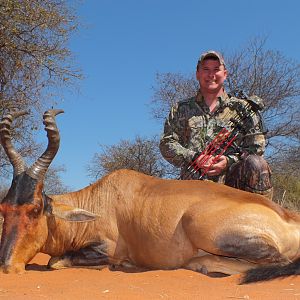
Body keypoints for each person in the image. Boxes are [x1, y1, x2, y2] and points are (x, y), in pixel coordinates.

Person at [159, 50, 273, 199]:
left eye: (216, 69)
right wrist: (194, 157)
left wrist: (229, 161)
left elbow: (257, 147)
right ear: (197, 74)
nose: (211, 74)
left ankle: (260, 217)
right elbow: (167, 143)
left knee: (257, 164)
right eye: (206, 69)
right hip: (191, 188)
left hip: (232, 188)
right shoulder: (180, 109)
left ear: (225, 74)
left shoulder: (243, 108)